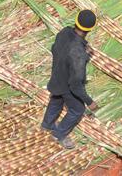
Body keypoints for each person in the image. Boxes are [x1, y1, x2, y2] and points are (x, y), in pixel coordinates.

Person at [41, 10, 98, 149]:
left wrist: (83, 48)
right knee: (77, 109)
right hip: (67, 84)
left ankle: (46, 124)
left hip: (56, 76)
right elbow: (75, 84)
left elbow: (54, 48)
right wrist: (89, 102)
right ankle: (58, 134)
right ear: (90, 29)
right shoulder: (78, 53)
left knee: (56, 99)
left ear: (76, 21)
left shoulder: (64, 32)